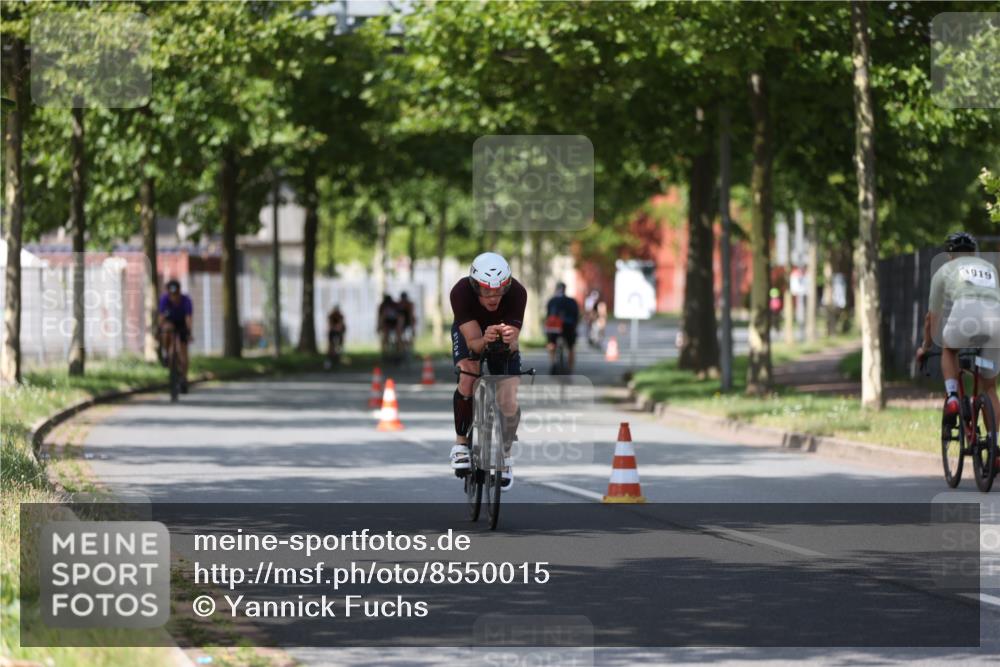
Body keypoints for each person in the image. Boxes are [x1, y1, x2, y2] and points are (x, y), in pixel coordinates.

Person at [450, 252, 526, 491]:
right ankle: (461, 444)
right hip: (471, 332)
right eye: (486, 290)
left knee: (508, 394)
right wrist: (484, 338)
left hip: (502, 336)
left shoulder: (517, 293)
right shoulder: (461, 292)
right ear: (475, 287)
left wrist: (508, 339)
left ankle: (505, 456)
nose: (493, 297)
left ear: (507, 285)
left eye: (499, 290)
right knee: (468, 374)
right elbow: (473, 343)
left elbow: (513, 344)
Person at [916, 232, 1000, 425]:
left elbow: (931, 318)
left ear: (950, 254)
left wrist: (926, 347)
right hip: (996, 319)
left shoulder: (944, 270)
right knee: (990, 389)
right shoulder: (990, 268)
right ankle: (995, 448)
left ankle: (953, 395)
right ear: (973, 253)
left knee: (948, 348)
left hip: (965, 314)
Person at [158, 279, 193, 392]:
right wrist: (158, 329)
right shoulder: (164, 300)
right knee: (166, 329)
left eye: (176, 294)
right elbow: (162, 317)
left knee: (183, 352)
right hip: (170, 323)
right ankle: (165, 352)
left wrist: (188, 332)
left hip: (182, 324)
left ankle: (184, 378)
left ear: (179, 292)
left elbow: (188, 318)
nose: (174, 297)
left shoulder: (186, 300)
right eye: (171, 295)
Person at [544, 281, 580, 374]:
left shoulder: (552, 301)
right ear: (565, 289)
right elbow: (576, 316)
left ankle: (552, 363)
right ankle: (570, 368)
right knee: (571, 347)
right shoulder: (572, 301)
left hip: (554, 327)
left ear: (556, 289)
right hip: (569, 326)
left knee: (551, 344)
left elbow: (548, 317)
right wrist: (575, 327)